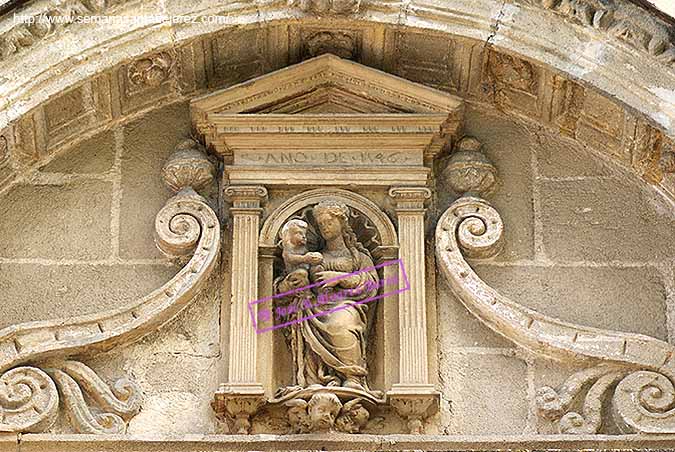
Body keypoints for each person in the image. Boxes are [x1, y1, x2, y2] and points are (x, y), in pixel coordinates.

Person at [276, 200, 379, 393]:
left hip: (345, 304)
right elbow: (290, 281)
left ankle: (352, 376)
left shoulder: (358, 257)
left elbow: (372, 284)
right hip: (314, 305)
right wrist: (290, 285)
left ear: (342, 223)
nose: (325, 227)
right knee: (305, 316)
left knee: (341, 323)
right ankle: (314, 378)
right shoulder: (313, 256)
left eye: (329, 222)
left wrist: (341, 278)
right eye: (321, 224)